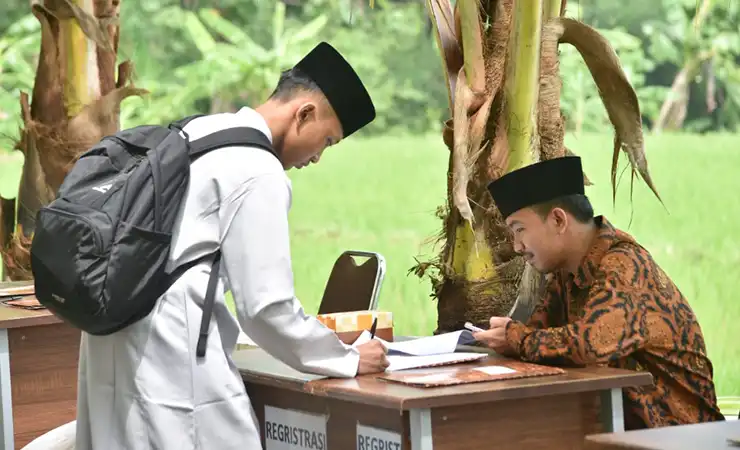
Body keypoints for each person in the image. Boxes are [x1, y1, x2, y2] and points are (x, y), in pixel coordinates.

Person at [75, 42, 389, 450]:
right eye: (327, 141)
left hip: (113, 333)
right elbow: (266, 308)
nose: (317, 159)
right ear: (305, 113)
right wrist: (347, 360)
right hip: (174, 353)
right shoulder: (258, 170)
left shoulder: (198, 130)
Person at [473, 156, 725, 430]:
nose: (517, 246)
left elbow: (588, 344)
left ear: (558, 220)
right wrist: (505, 337)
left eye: (519, 230)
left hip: (683, 438)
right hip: (623, 432)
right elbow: (537, 334)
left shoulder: (624, 265)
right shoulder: (566, 274)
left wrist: (515, 336)